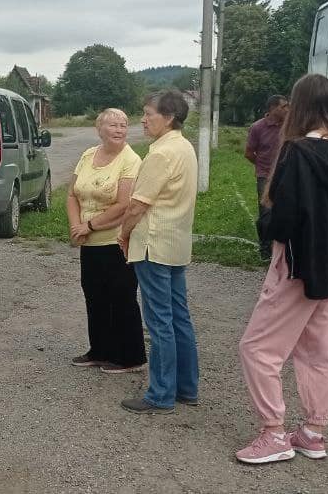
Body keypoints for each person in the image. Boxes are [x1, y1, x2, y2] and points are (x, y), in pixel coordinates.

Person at [235, 74, 328, 464]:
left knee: (257, 348)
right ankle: (313, 432)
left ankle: (273, 433)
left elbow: (284, 219)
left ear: (299, 104)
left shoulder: (296, 152)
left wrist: (265, 225)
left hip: (296, 264)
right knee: (318, 349)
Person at [117, 91, 200, 414]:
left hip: (153, 244)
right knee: (179, 317)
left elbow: (138, 205)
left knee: (159, 321)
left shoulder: (161, 154)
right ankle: (186, 387)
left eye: (148, 114)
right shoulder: (184, 147)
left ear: (169, 117)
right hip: (176, 242)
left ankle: (161, 394)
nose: (143, 119)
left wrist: (123, 234)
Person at [67, 108, 146, 374]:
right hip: (89, 242)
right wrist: (76, 227)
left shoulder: (130, 160)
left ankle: (131, 357)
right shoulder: (88, 155)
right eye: (113, 125)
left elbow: (124, 205)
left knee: (121, 298)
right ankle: (99, 350)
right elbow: (72, 195)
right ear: (99, 128)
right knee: (94, 296)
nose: (119, 130)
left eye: (123, 125)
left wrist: (89, 225)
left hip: (116, 241)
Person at [246, 95, 289, 260]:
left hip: (285, 174)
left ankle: (282, 249)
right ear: (272, 108)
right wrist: (262, 166)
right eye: (283, 106)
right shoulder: (257, 127)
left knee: (284, 210)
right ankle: (265, 249)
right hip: (265, 176)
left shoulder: (289, 126)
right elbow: (249, 153)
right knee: (266, 213)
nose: (287, 110)